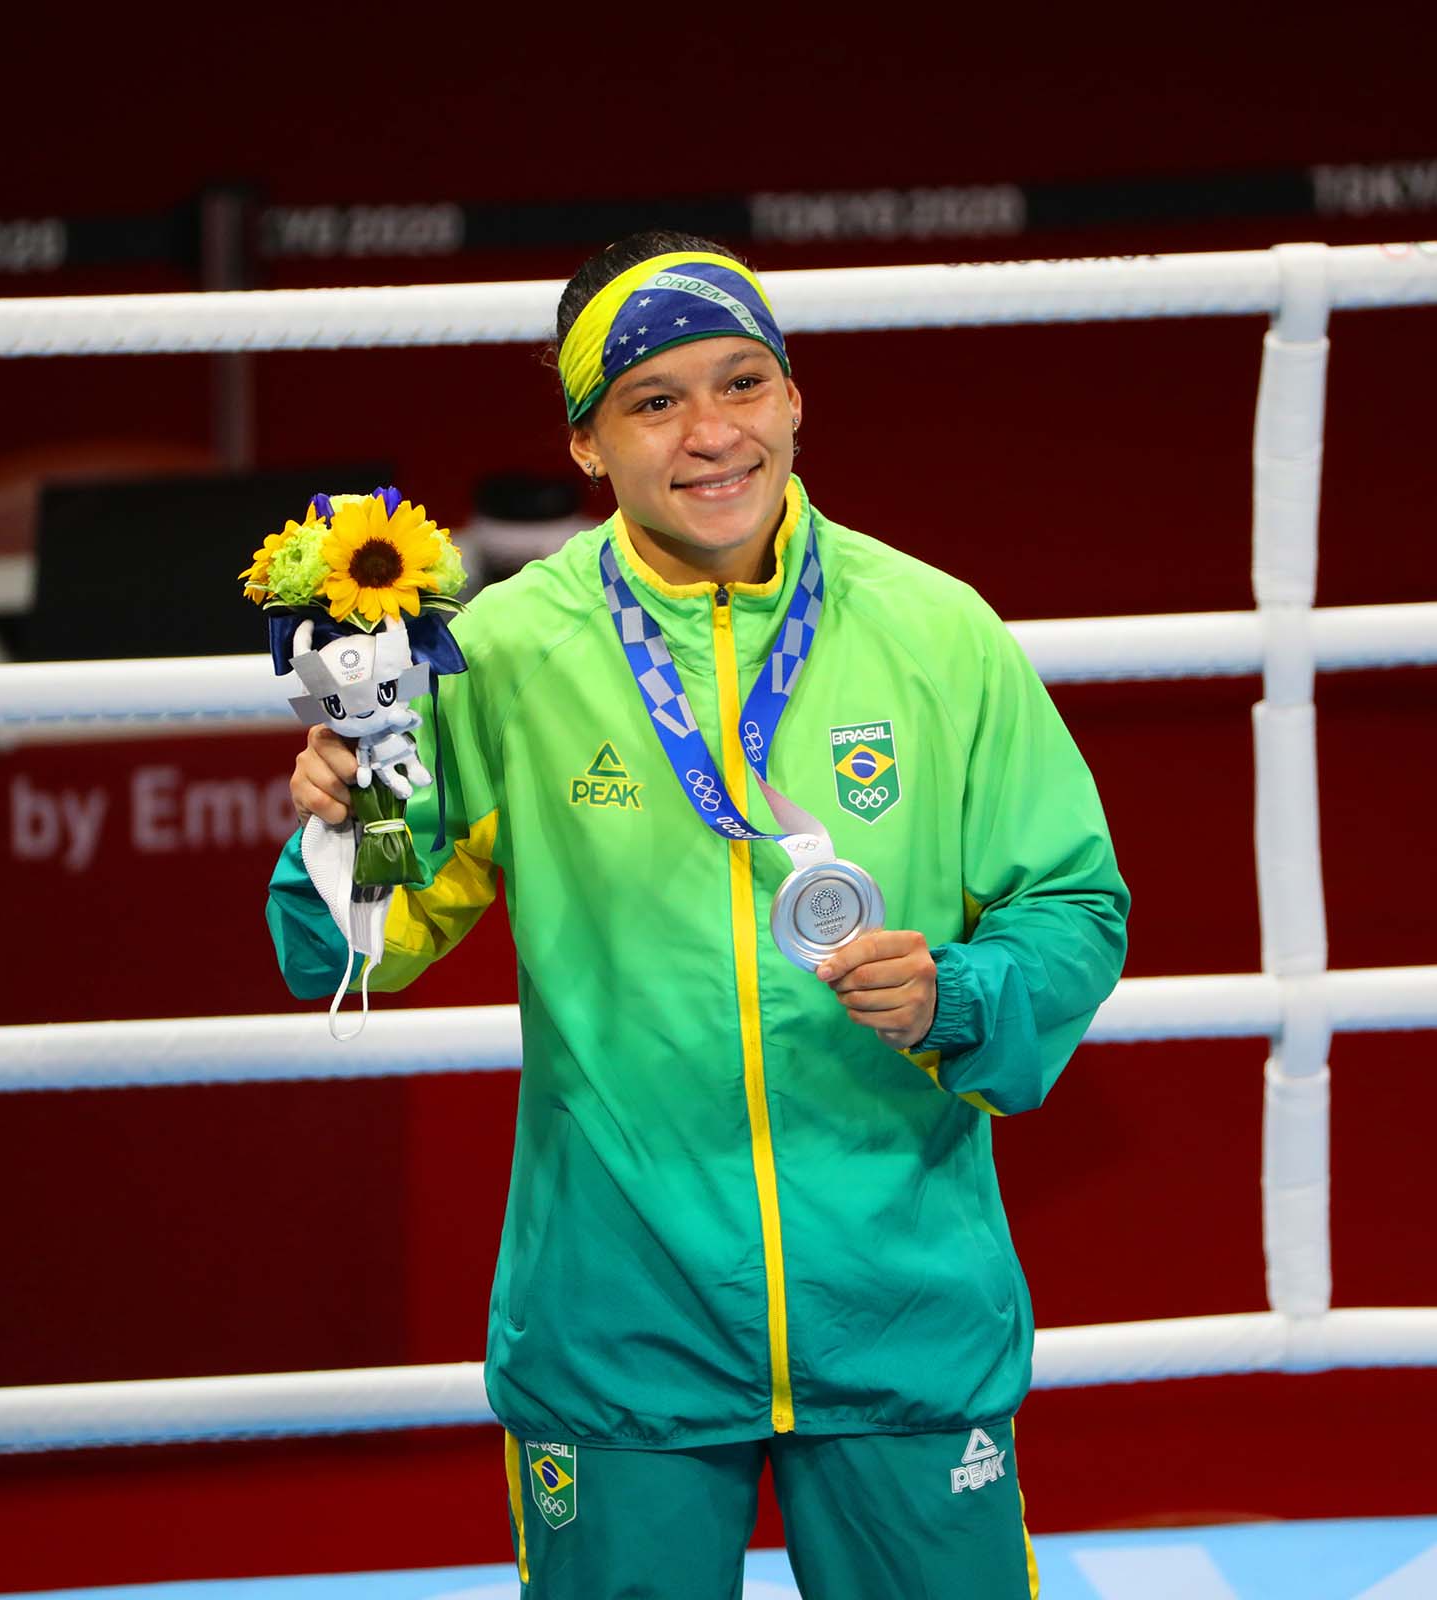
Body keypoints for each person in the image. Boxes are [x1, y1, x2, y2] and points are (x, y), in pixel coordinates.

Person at [266, 231, 1129, 1598]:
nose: (712, 433)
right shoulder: (505, 652)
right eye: (654, 400)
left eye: (742, 383)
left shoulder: (938, 629)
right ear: (587, 444)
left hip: (901, 1303)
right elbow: (351, 947)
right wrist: (347, 808)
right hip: (621, 1317)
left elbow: (1073, 905)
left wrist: (956, 995)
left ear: (795, 397)